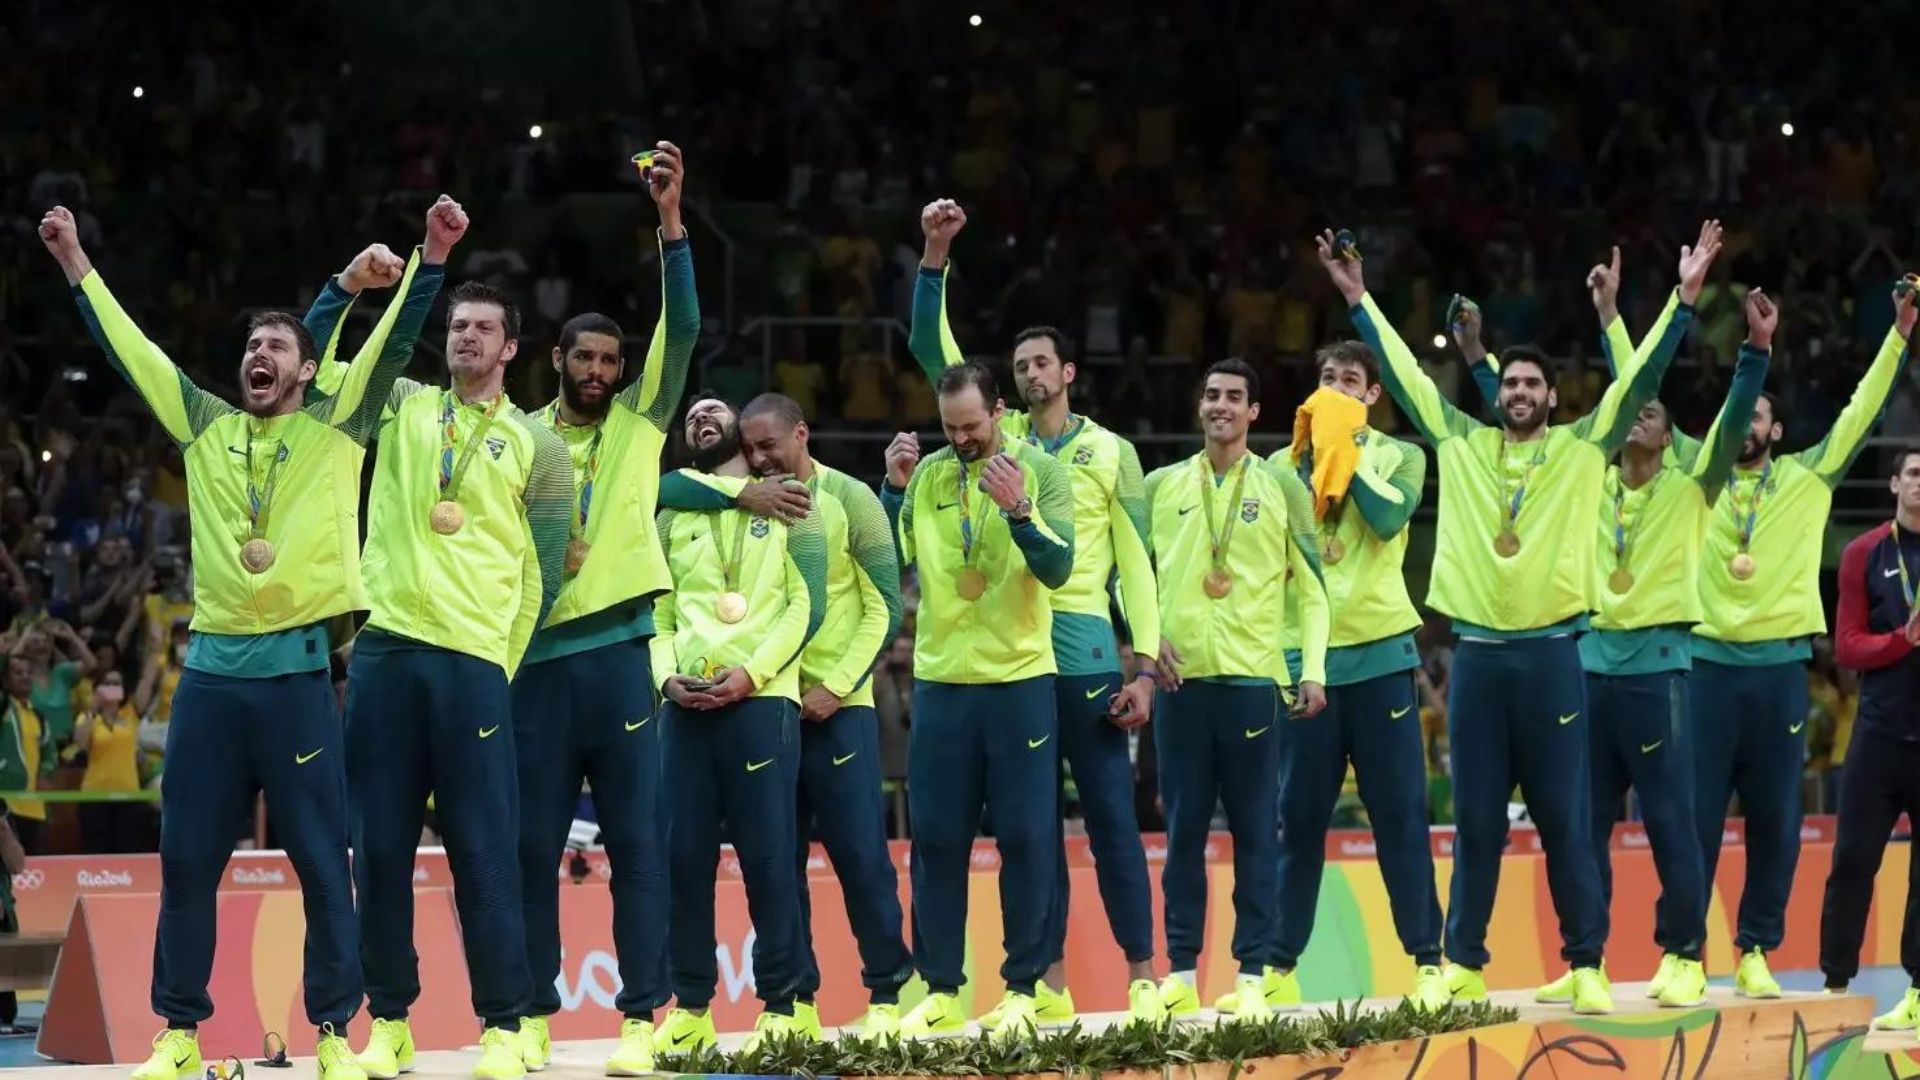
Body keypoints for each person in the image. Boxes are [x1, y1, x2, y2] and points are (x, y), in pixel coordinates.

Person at [40, 197, 454, 1080]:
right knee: (186, 860)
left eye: (276, 348)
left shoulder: (339, 429)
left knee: (316, 861)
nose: (256, 357)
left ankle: (336, 1036)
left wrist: (433, 254)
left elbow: (395, 336)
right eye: (250, 347)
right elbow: (131, 348)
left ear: (310, 372)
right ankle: (180, 1035)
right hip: (213, 681)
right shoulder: (205, 427)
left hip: (302, 679)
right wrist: (76, 258)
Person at [1319, 221, 1717, 1015]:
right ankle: (1464, 961)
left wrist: (1682, 301)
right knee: (1475, 822)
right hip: (1476, 660)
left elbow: (1641, 386)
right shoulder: (1461, 443)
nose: (1521, 395)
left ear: (1553, 398)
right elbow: (1402, 380)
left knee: (1568, 822)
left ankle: (1587, 963)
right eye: (1512, 386)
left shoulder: (1581, 449)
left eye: (1533, 387)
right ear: (1498, 394)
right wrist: (1360, 299)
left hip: (1551, 658)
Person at [1485, 279, 1776, 1009]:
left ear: (1669, 433)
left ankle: (1684, 954)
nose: (1641, 414)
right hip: (1585, 668)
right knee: (1580, 827)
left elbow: (1733, 413)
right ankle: (1588, 960)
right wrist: (1609, 317)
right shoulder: (1585, 483)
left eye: (1655, 411)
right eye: (1633, 410)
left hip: (1657, 672)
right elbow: (1593, 395)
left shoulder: (1691, 485)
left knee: (1673, 819)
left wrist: (1756, 353)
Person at [909, 199, 1164, 1026]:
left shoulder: (1110, 452)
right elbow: (932, 351)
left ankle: (1144, 973)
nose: (1029, 374)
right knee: (1030, 828)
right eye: (1019, 365)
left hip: (1083, 647)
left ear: (1068, 373)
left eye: (1042, 363)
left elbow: (1136, 563)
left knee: (1110, 820)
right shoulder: (994, 438)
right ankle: (1043, 982)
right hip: (1005, 653)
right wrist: (935, 259)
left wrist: (1148, 659)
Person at [343, 249, 573, 1079]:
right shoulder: (401, 405)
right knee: (379, 851)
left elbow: (541, 575)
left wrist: (496, 664)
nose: (466, 338)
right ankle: (391, 1021)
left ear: (512, 348)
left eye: (483, 329)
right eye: (457, 327)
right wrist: (424, 272)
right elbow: (345, 361)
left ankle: (506, 1026)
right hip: (386, 653)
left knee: (484, 849)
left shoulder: (539, 446)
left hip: (474, 664)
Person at [507, 142, 697, 1077]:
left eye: (613, 359)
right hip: (535, 665)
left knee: (636, 845)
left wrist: (669, 222)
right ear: (555, 358)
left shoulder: (642, 427)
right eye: (584, 355)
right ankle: (533, 1014)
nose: (599, 369)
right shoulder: (517, 437)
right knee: (532, 843)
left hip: (623, 654)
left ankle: (640, 1015)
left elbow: (687, 328)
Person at [1689, 289, 1915, 1000]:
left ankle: (1756, 947)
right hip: (1705, 666)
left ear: (1777, 430)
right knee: (1690, 821)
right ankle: (1683, 954)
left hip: (1781, 668)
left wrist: (1901, 337)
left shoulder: (1810, 480)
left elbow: (1862, 410)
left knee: (1777, 823)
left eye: (1754, 414)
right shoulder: (1698, 481)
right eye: (1734, 415)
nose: (1742, 423)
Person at [880, 363, 1075, 1038]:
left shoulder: (1041, 472)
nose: (961, 440)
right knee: (936, 842)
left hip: (1019, 681)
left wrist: (1020, 510)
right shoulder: (931, 475)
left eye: (971, 426)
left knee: (1025, 837)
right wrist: (889, 489)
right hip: (941, 684)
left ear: (997, 410)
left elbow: (1059, 567)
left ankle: (1023, 987)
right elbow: (887, 560)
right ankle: (940, 990)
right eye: (949, 427)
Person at [1144, 358, 1329, 1022]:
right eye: (1212, 395)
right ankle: (1182, 971)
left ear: (1255, 413)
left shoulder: (1285, 490)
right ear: (1200, 408)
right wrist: (1144, 637)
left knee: (1256, 832)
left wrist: (1312, 669)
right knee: (1183, 832)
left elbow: (1312, 588)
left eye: (1235, 398)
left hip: (1254, 682)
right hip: (1181, 681)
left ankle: (1253, 974)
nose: (1221, 405)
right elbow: (1129, 570)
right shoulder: (1161, 485)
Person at [1267, 342, 1446, 1011]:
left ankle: (1428, 962)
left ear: (1372, 395)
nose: (1335, 389)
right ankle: (1277, 966)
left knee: (1399, 816)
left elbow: (1388, 516)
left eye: (1349, 382)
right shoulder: (1283, 466)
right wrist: (1315, 454)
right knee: (1298, 818)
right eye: (1325, 380)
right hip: (1304, 666)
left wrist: (1342, 448)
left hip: (1378, 660)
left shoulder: (1403, 456)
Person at [648, 395, 826, 1053]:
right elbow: (657, 614)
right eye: (690, 414)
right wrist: (665, 677)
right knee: (682, 862)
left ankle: (783, 1004)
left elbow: (805, 608)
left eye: (714, 410)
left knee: (769, 858)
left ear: (741, 435)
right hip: (685, 706)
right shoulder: (669, 515)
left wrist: (752, 673)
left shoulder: (794, 505)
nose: (700, 417)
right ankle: (690, 1007)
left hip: (762, 702)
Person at [734, 393, 911, 1039]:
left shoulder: (852, 500)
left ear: (801, 433)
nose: (757, 458)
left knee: (861, 856)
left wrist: (837, 687)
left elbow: (885, 606)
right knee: (774, 863)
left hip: (839, 710)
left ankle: (888, 997)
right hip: (766, 710)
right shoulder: (745, 502)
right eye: (748, 449)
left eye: (768, 445)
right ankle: (790, 1003)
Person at [1822, 445, 1920, 1027]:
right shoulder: (1864, 553)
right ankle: (1834, 986)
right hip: (1879, 738)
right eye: (1912, 473)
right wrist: (1901, 641)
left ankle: (1917, 996)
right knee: (1853, 861)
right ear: (1893, 484)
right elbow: (1848, 646)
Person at [72, 668, 146, 853]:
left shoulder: (131, 715)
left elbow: (148, 678)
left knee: (126, 851)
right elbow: (80, 744)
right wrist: (92, 709)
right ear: (97, 688)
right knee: (95, 851)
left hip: (129, 794)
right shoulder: (87, 718)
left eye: (117, 683)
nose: (112, 687)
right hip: (95, 794)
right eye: (107, 683)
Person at [0, 654, 51, 852]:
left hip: (34, 808)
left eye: (29, 672)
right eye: (18, 672)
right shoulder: (4, 708)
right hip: (5, 806)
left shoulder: (38, 715)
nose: (25, 676)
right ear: (5, 678)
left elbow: (50, 754)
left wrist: (44, 773)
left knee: (34, 872)